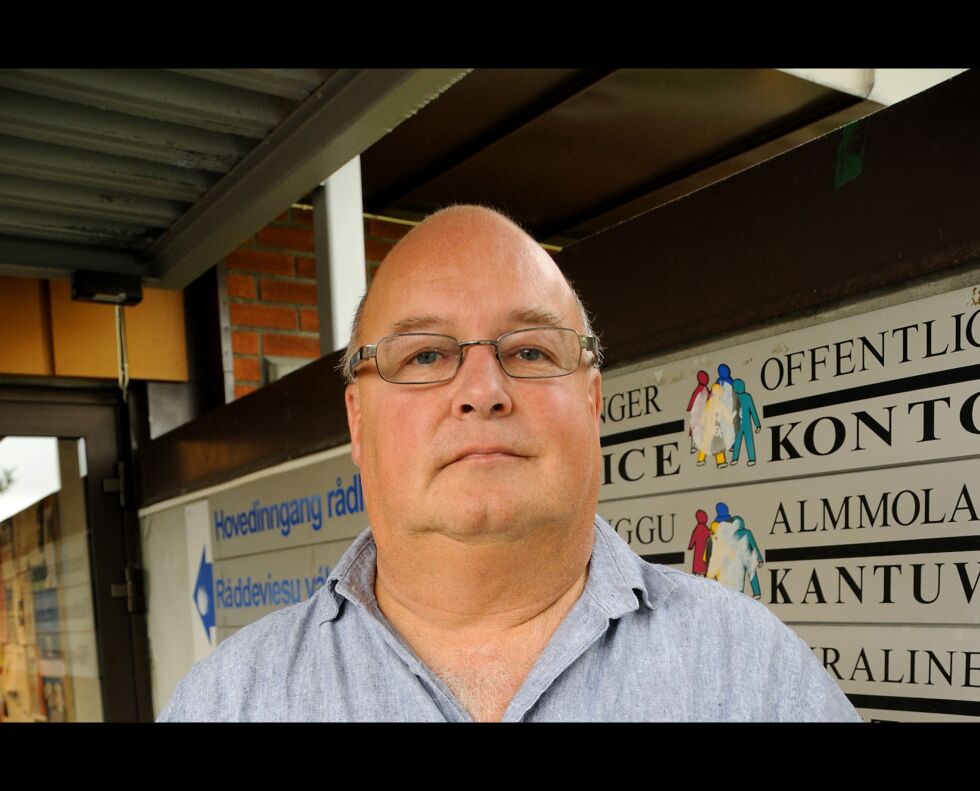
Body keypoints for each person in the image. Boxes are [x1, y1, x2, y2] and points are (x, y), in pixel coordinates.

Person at [158, 205, 860, 723]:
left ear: (592, 401)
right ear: (357, 421)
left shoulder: (755, 674)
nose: (483, 392)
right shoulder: (226, 703)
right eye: (424, 355)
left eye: (529, 351)